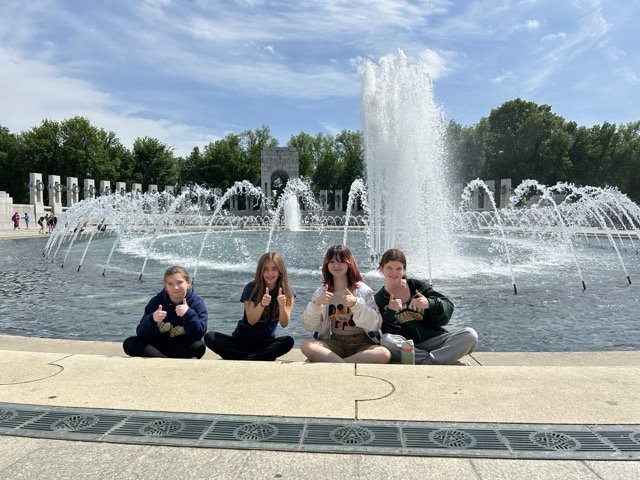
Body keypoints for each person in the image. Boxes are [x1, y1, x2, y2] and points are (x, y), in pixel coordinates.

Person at [374, 248, 477, 365]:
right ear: (382, 269)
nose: (394, 273)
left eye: (398, 268)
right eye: (389, 268)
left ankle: (427, 362)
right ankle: (441, 360)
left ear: (404, 270)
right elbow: (386, 332)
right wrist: (391, 311)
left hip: (435, 341)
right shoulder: (379, 299)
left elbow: (447, 308)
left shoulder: (418, 287)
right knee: (386, 340)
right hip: (409, 346)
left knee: (470, 335)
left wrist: (429, 303)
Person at [300, 244, 391, 364]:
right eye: (332, 261)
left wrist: (356, 304)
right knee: (306, 345)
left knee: (384, 354)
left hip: (362, 343)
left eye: (341, 261)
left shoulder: (363, 291)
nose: (336, 265)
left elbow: (376, 324)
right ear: (327, 264)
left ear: (349, 263)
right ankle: (344, 364)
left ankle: (337, 363)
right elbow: (308, 326)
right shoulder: (321, 293)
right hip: (335, 343)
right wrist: (316, 305)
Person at [204, 252, 295, 361]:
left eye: (274, 269)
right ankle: (256, 357)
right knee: (210, 337)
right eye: (265, 269)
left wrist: (281, 306)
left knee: (288, 341)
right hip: (243, 340)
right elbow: (251, 320)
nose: (270, 273)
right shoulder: (251, 287)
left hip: (266, 343)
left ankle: (246, 357)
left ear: (280, 271)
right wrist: (262, 304)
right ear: (260, 271)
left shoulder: (287, 292)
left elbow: (284, 323)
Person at [123, 265, 208, 358]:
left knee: (199, 346)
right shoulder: (156, 301)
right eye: (170, 284)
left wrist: (188, 314)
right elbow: (140, 333)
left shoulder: (196, 303)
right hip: (157, 346)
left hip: (181, 346)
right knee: (129, 343)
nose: (175, 287)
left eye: (179, 282)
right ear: (166, 286)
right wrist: (152, 319)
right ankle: (163, 358)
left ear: (188, 283)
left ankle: (160, 358)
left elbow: (198, 334)